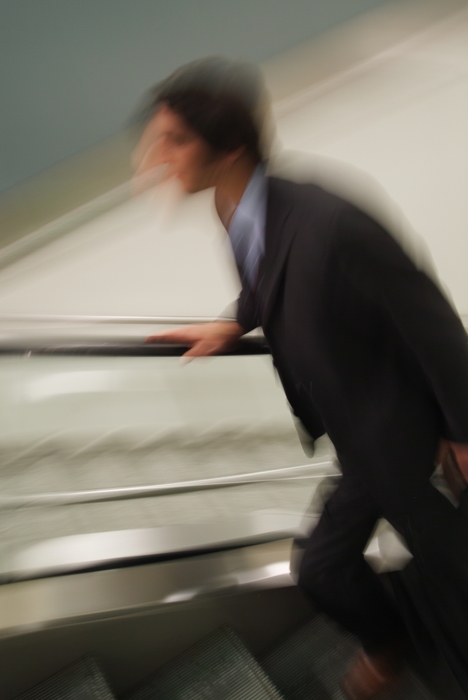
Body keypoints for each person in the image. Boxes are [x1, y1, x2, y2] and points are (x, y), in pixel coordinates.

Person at [132, 57, 468, 699]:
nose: (157, 155)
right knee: (321, 569)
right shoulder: (234, 210)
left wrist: (463, 430)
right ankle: (393, 640)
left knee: (454, 577)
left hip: (407, 437)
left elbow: (431, 321)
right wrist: (235, 322)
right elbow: (267, 282)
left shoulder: (330, 221)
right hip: (358, 439)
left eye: (174, 139)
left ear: (228, 146)